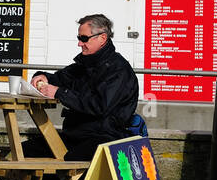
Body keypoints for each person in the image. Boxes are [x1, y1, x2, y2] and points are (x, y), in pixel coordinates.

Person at [28, 13, 139, 162]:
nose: (79, 44)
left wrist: (60, 93)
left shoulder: (118, 70)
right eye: (79, 38)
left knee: (68, 164)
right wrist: (42, 76)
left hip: (105, 139)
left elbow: (99, 106)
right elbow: (60, 78)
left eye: (84, 38)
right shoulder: (85, 64)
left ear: (102, 38)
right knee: (26, 152)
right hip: (76, 136)